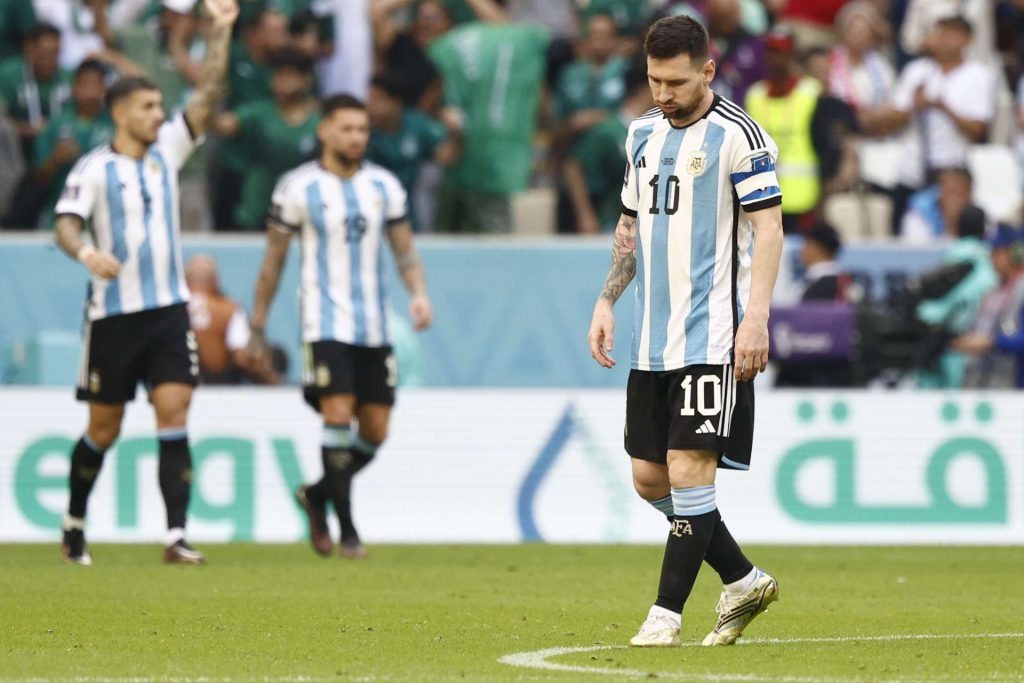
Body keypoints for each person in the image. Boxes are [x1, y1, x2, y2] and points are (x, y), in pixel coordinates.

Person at [587, 16, 783, 648]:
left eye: (674, 82)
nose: (662, 94)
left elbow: (769, 230)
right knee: (651, 479)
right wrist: (606, 300)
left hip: (715, 336)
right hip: (654, 337)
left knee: (689, 468)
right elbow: (628, 224)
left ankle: (664, 616)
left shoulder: (740, 136)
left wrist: (757, 317)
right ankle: (743, 578)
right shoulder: (641, 133)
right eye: (653, 80)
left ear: (707, 69)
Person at [51, 0, 239, 566]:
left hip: (167, 311)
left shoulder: (167, 153)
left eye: (160, 105)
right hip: (112, 316)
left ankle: (176, 535)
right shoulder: (92, 167)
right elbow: (65, 224)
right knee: (103, 428)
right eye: (149, 106)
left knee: (174, 411)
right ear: (121, 113)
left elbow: (205, 97)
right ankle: (74, 522)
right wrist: (86, 251)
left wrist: (221, 31)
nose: (161, 114)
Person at [248, 93, 433, 559]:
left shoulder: (384, 186)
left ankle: (316, 494)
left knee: (375, 429)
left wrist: (419, 293)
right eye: (347, 128)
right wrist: (258, 325)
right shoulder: (297, 187)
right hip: (323, 322)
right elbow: (273, 261)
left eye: (362, 129)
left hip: (373, 325)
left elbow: (404, 249)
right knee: (337, 413)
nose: (356, 137)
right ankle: (347, 530)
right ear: (324, 130)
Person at [883, 16, 994, 236]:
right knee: (904, 234)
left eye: (953, 34)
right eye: (941, 33)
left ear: (967, 39)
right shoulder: (917, 71)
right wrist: (915, 106)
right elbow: (893, 120)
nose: (945, 40)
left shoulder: (979, 75)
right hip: (913, 168)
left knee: (949, 234)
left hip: (950, 173)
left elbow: (979, 130)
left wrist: (944, 108)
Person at [212, 47, 321, 231]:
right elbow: (224, 125)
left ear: (306, 80)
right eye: (278, 75)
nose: (282, 81)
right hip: (257, 204)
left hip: (301, 208)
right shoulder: (259, 112)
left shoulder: (318, 122)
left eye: (289, 75)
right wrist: (211, 100)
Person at [744, 29, 821, 234]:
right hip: (763, 193)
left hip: (803, 195)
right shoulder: (755, 94)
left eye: (780, 52)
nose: (774, 59)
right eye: (770, 52)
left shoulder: (811, 92)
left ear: (791, 55)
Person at [366, 73, 459, 232]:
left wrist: (456, 132)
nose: (370, 105)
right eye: (369, 99)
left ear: (395, 103)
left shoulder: (416, 124)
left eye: (377, 100)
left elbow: (446, 156)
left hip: (407, 212)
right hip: (367, 212)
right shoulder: (361, 128)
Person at [29, 59, 115, 230]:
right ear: (73, 88)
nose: (90, 90)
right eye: (84, 84)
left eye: (96, 84)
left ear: (104, 89)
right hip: (60, 216)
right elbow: (36, 179)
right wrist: (55, 160)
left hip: (105, 219)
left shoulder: (116, 124)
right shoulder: (56, 124)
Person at [955, 225, 1024, 389]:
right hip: (985, 387)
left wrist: (993, 342)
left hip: (1014, 391)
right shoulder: (994, 290)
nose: (991, 259)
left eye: (996, 253)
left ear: (1014, 254)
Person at [185, 254, 255, 384]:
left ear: (185, 280)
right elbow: (241, 356)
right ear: (215, 281)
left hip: (178, 386)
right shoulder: (229, 310)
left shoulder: (173, 310)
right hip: (218, 387)